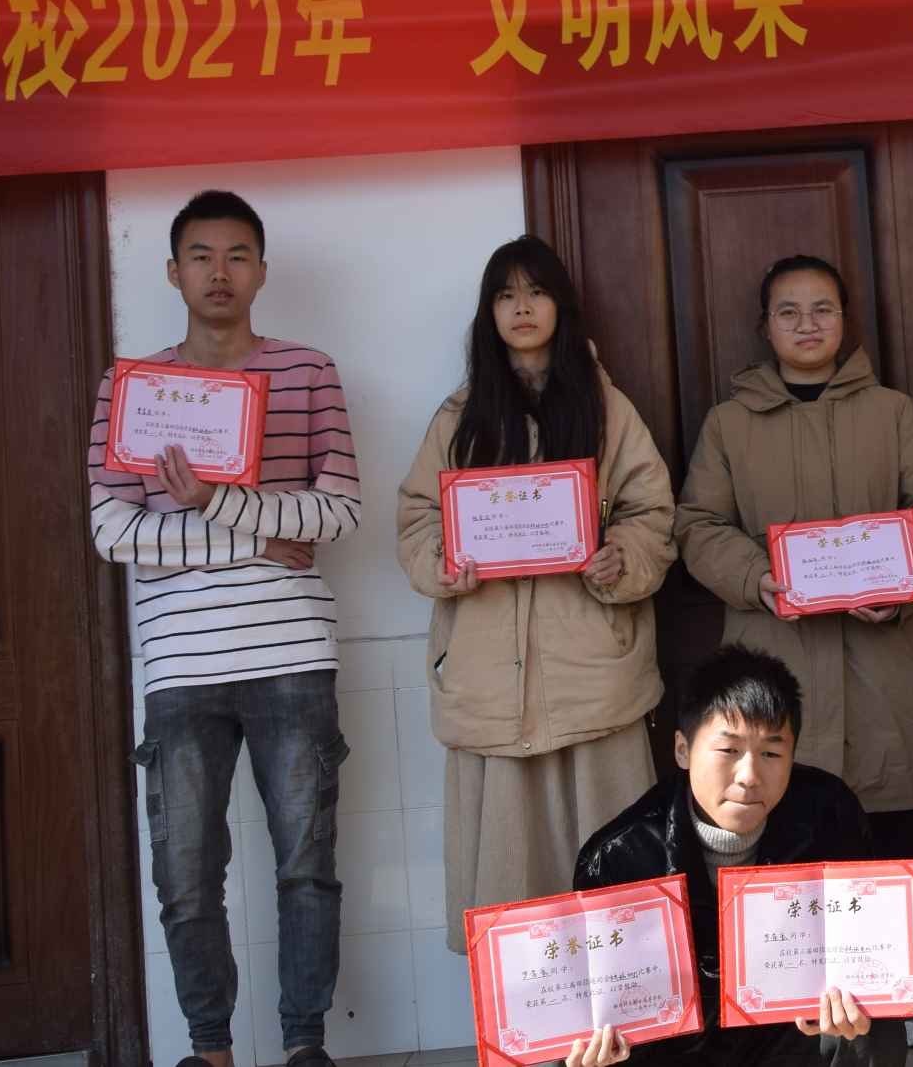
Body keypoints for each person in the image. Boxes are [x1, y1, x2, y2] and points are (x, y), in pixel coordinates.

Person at [89, 189, 364, 1067]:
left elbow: (339, 511)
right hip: (179, 662)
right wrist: (252, 532)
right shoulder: (131, 387)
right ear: (173, 272)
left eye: (237, 255)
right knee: (185, 879)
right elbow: (112, 531)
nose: (220, 272)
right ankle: (210, 1050)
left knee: (306, 866)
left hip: (293, 651)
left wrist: (214, 502)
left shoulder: (309, 371)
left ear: (262, 271)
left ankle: (304, 1045)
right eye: (201, 256)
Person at [677, 254, 913, 1047]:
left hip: (885, 655)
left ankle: (909, 988)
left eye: (823, 309)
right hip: (778, 651)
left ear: (845, 321)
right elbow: (697, 525)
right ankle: (789, 993)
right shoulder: (728, 424)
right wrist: (761, 579)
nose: (807, 325)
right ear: (764, 327)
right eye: (789, 311)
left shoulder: (893, 412)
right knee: (784, 823)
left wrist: (906, 583)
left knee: (896, 820)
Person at [396, 235, 676, 953]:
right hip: (489, 684)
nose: (521, 308)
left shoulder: (607, 409)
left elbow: (652, 513)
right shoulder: (459, 417)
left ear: (562, 306)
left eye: (537, 292)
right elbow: (417, 518)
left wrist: (621, 558)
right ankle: (526, 1019)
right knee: (512, 899)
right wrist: (442, 564)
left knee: (615, 889)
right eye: (505, 295)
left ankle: (624, 1014)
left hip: (594, 678)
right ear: (488, 313)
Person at [574, 645, 907, 1066]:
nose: (749, 776)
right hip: (680, 1051)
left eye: (771, 753)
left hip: (790, 1034)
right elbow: (605, 995)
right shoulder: (617, 855)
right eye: (728, 751)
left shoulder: (829, 812)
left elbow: (866, 942)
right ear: (682, 750)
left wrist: (852, 1001)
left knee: (874, 1023)